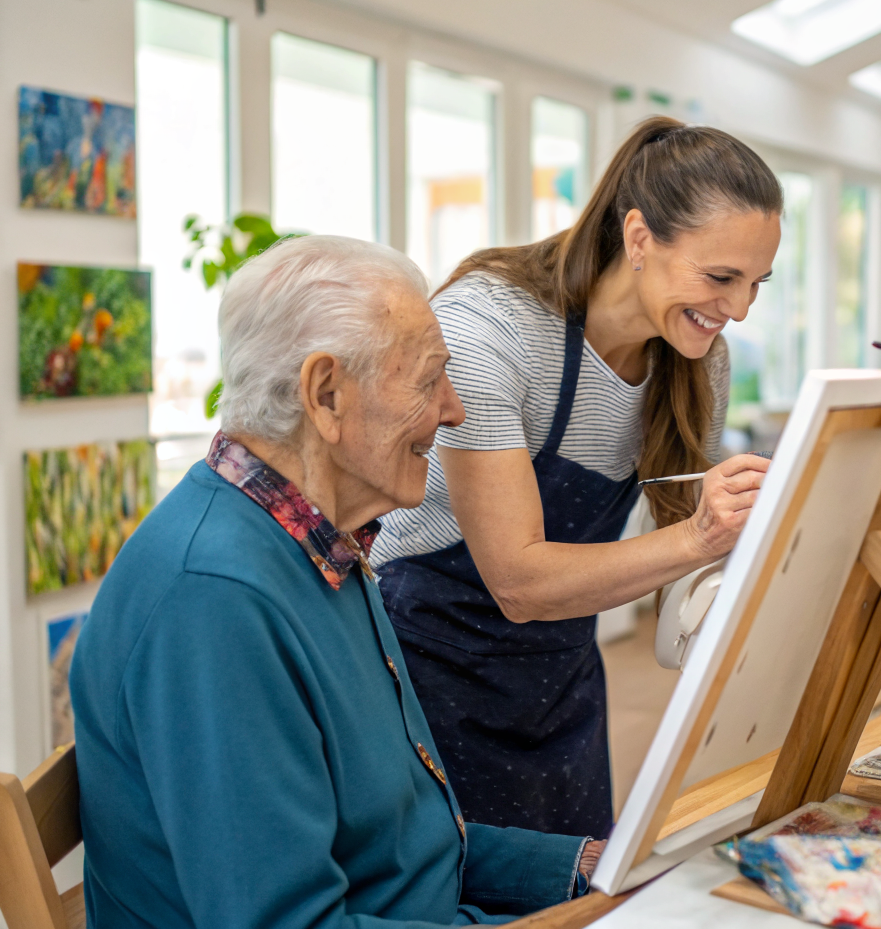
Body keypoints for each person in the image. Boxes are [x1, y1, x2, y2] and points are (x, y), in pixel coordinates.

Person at [70, 236, 602, 928]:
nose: (453, 410)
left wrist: (579, 869)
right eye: (428, 379)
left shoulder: (320, 547)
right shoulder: (214, 598)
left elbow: (402, 846)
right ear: (325, 394)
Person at [372, 117, 782, 839]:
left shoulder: (693, 361)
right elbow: (519, 582)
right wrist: (701, 535)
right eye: (720, 278)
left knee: (572, 888)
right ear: (638, 237)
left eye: (756, 283)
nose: (740, 309)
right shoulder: (490, 328)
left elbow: (672, 569)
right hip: (429, 669)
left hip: (560, 679)